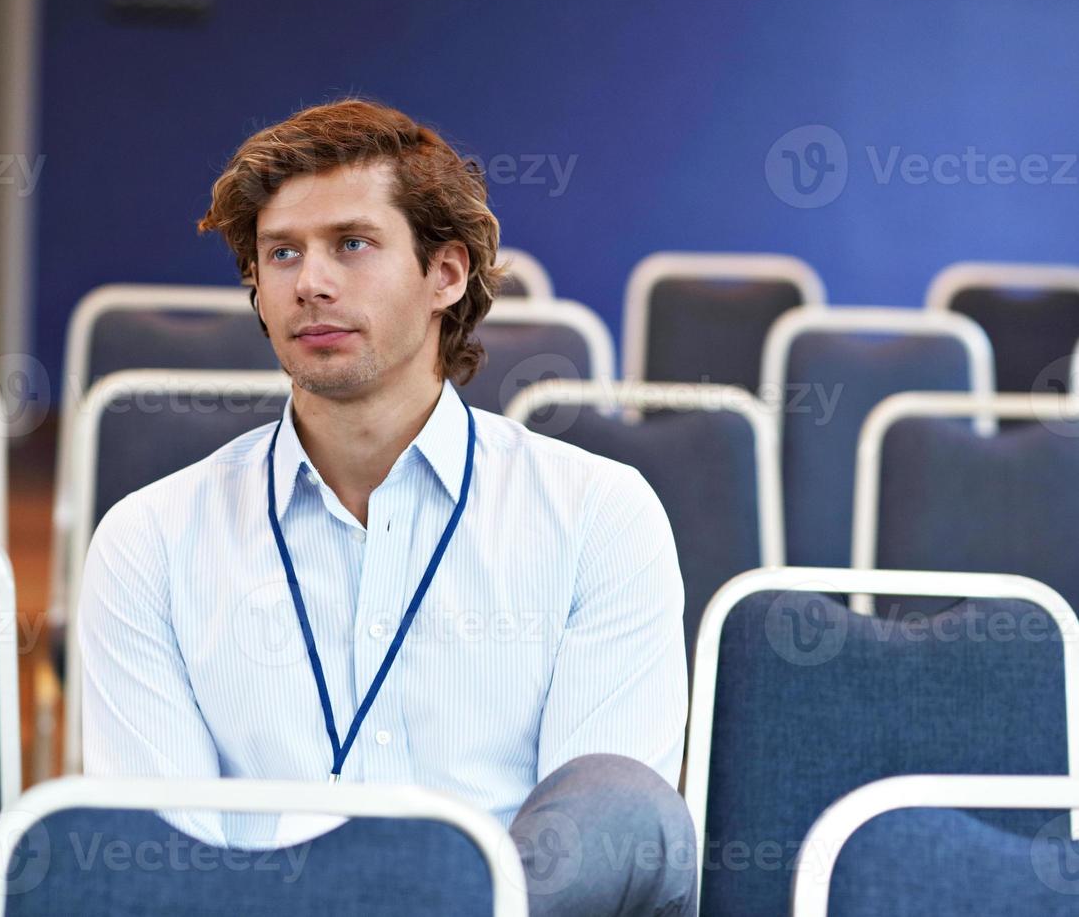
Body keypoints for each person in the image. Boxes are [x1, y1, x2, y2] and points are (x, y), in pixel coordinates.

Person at [80, 98, 696, 915]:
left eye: (353, 245)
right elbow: (162, 865)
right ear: (256, 289)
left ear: (445, 273)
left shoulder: (598, 517)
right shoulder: (149, 539)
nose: (312, 283)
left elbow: (596, 848)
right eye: (282, 253)